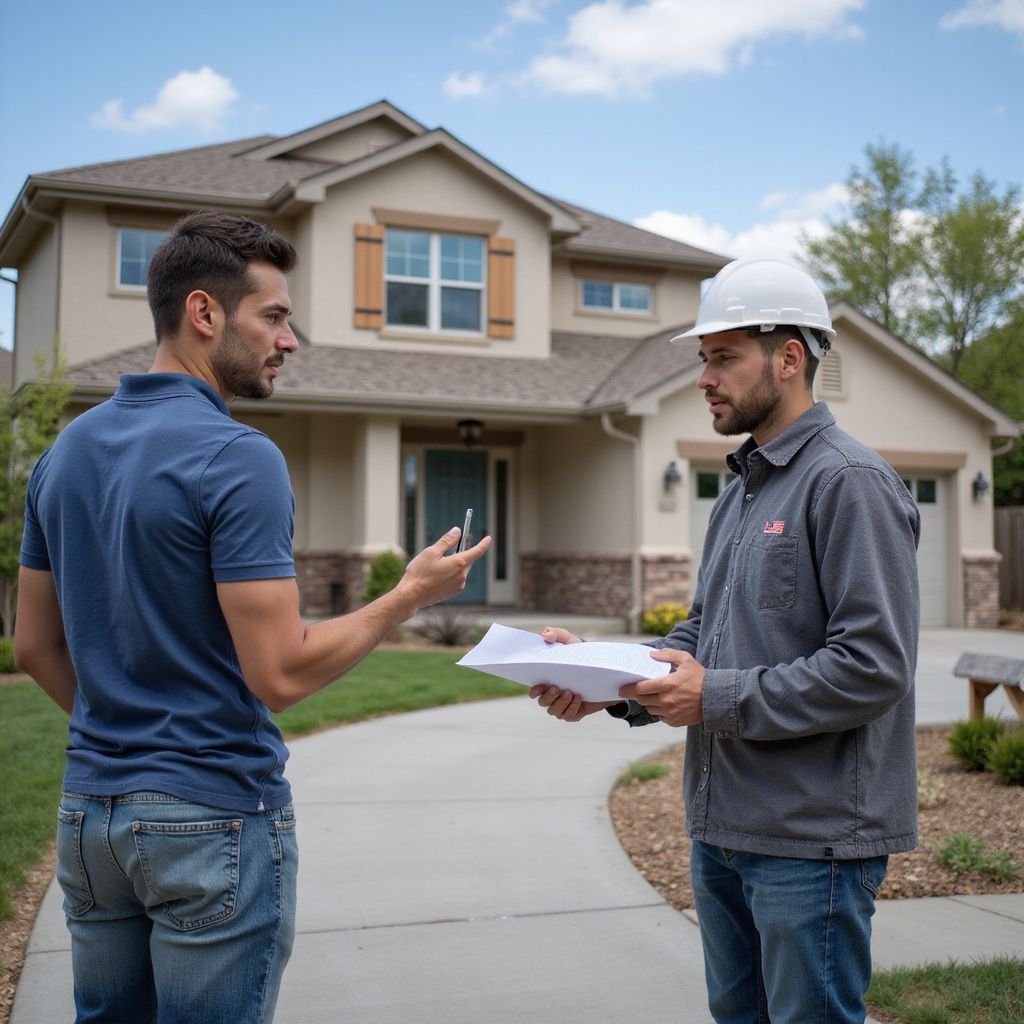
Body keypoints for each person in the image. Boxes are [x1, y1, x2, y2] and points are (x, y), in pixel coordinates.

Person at [15, 210, 490, 1024]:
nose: (290, 339)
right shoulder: (238, 457)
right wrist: (407, 595)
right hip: (211, 817)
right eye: (274, 316)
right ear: (205, 313)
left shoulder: (67, 452)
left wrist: (131, 743)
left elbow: (32, 646)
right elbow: (282, 671)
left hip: (90, 815)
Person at [530, 257, 920, 1024]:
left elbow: (874, 668)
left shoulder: (848, 482)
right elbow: (703, 634)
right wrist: (604, 679)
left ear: (789, 358)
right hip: (722, 828)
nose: (705, 377)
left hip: (811, 843)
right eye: (703, 359)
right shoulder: (741, 490)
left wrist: (711, 695)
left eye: (723, 357)